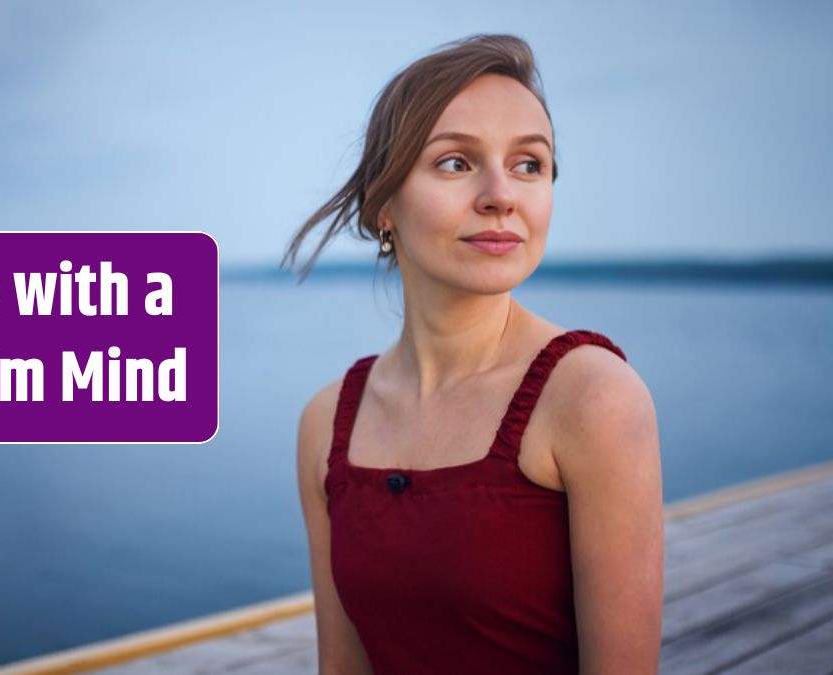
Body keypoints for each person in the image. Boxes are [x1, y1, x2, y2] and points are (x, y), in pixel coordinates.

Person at [283, 34, 664, 674]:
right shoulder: (327, 422)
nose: (500, 195)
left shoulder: (593, 398)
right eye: (456, 163)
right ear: (383, 206)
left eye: (529, 165)